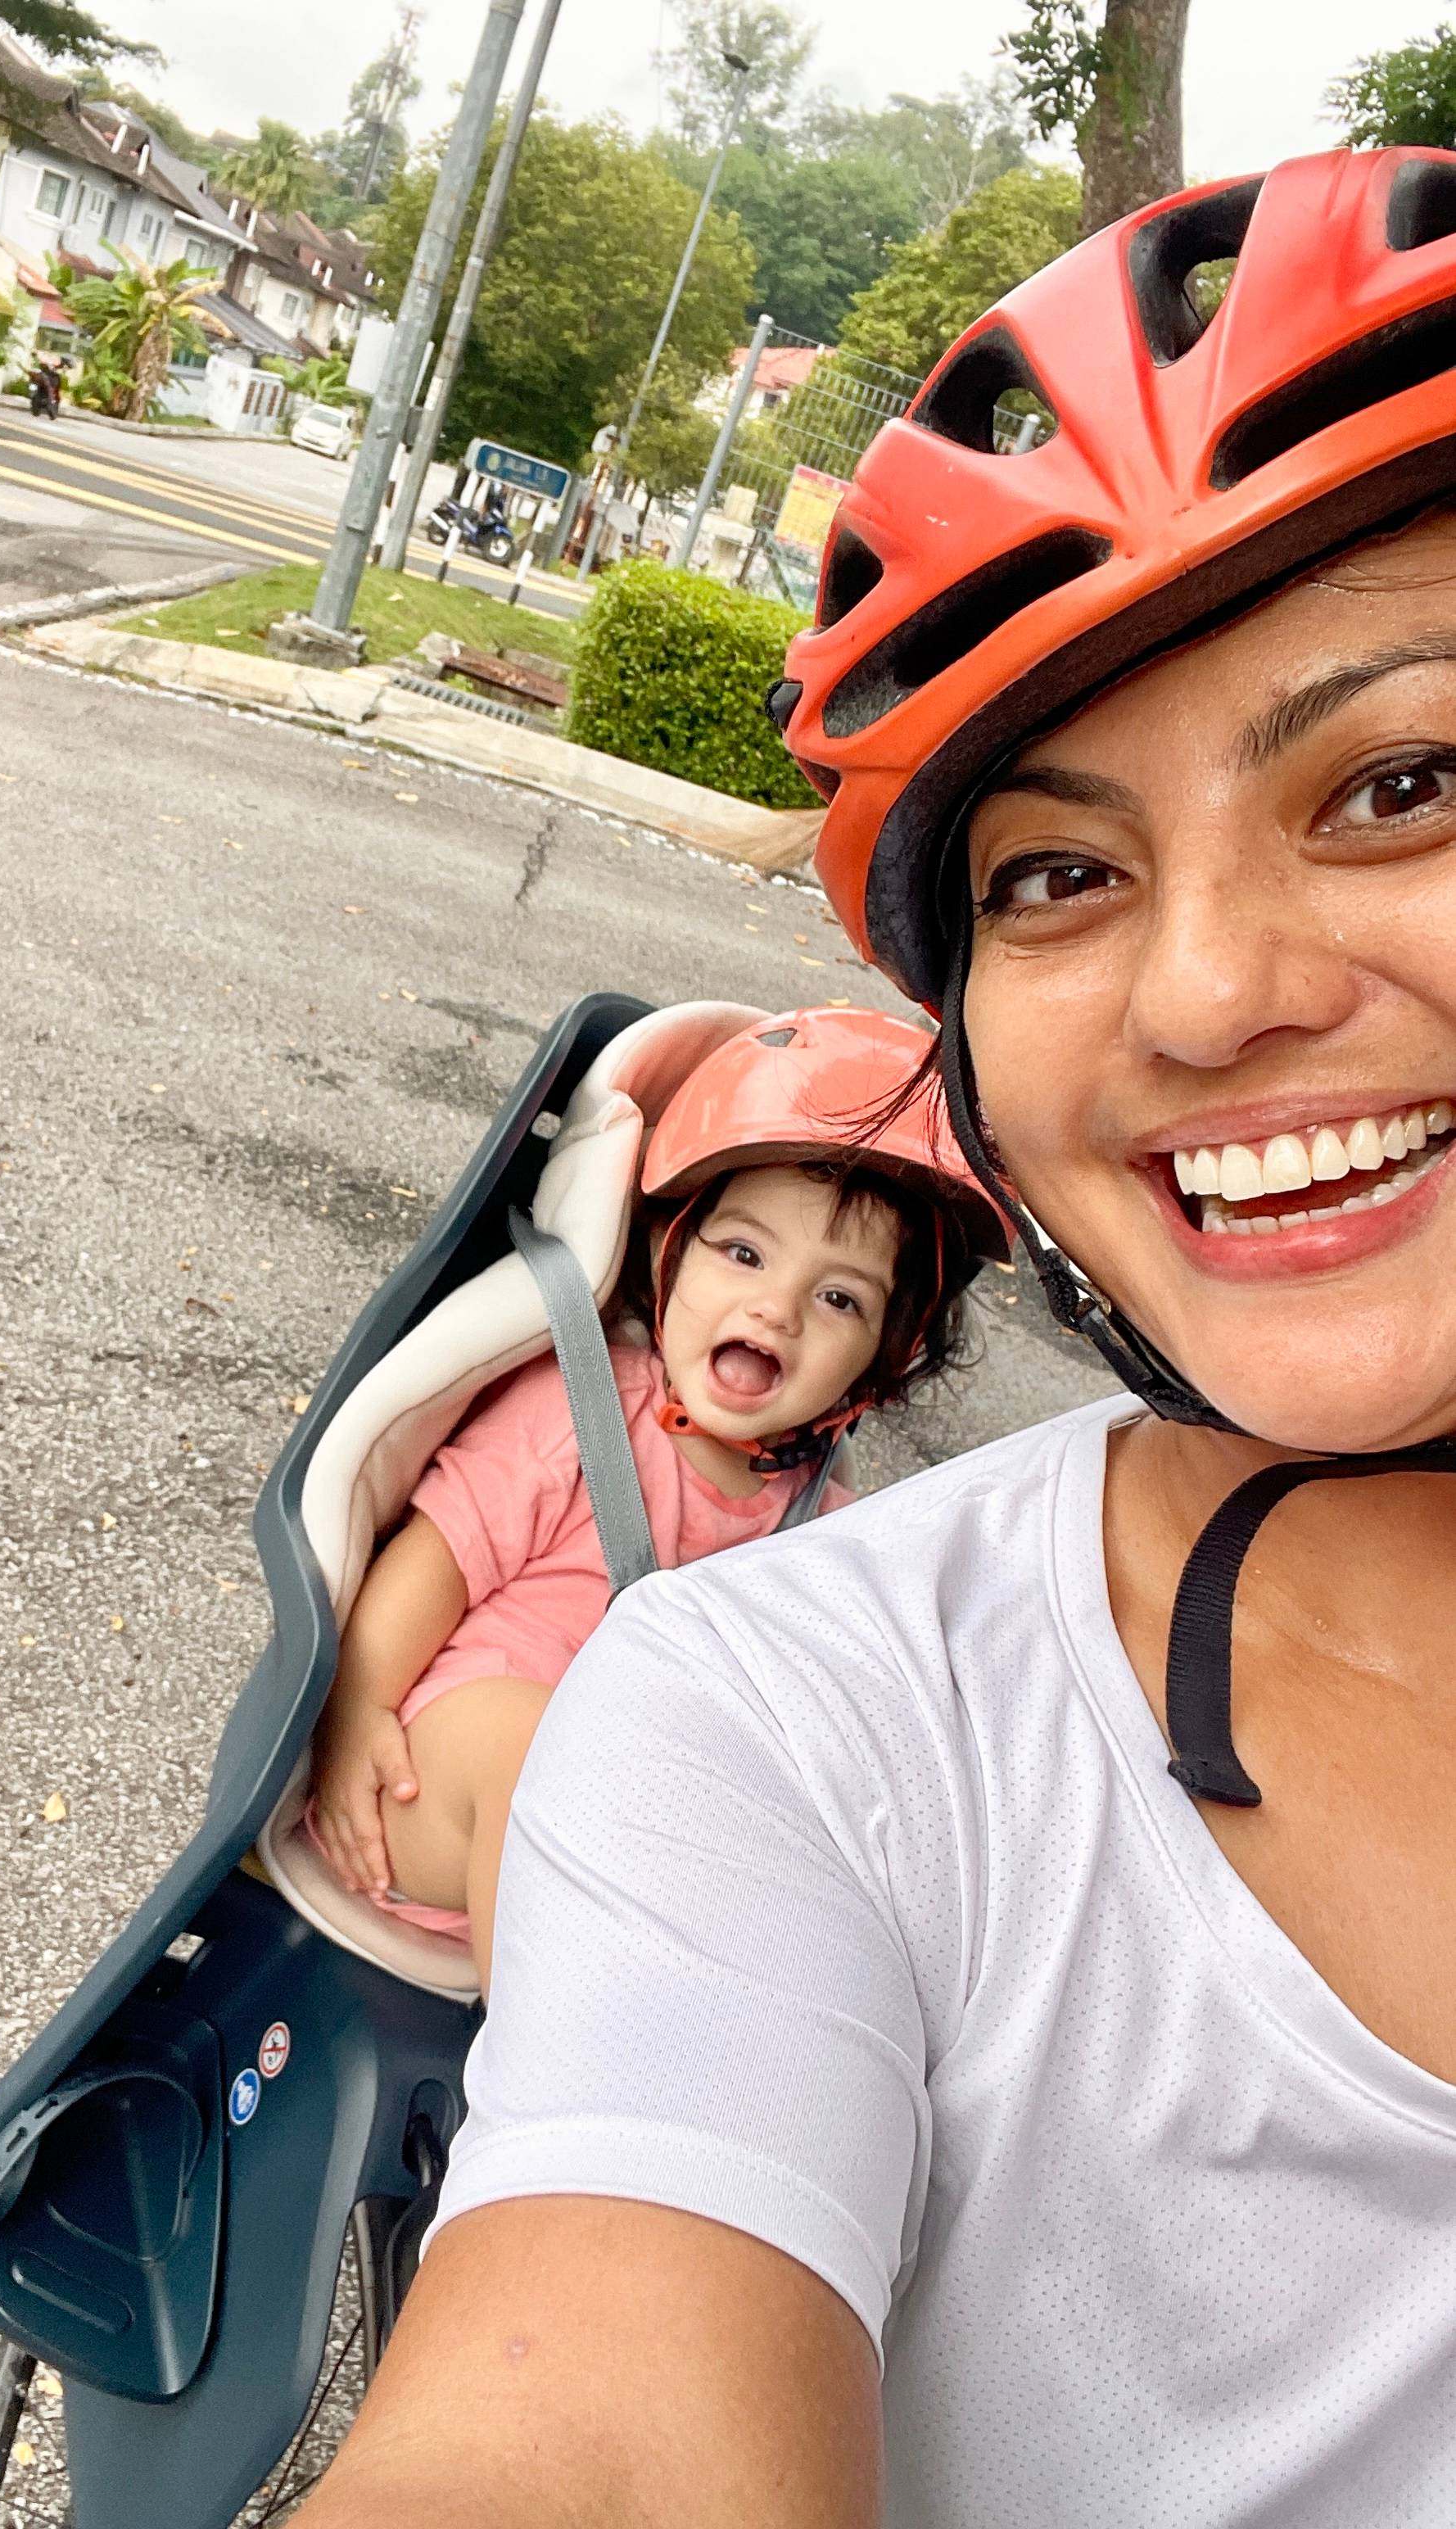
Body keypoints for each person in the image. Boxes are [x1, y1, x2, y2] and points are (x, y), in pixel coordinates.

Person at [301, 148, 1456, 2526]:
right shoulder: (797, 1722)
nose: (1204, 992)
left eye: (1400, 782)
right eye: (1055, 873)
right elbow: (579, 2448)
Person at [307, 1007, 1004, 1988]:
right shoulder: (577, 1410)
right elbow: (431, 1564)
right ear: (666, 1253)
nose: (777, 1308)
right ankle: (543, 2059)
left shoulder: (822, 1533)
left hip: (628, 1844)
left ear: (879, 1363)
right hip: (429, 1784)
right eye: (744, 1253)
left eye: (840, 1298)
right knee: (538, 1746)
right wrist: (349, 1717)